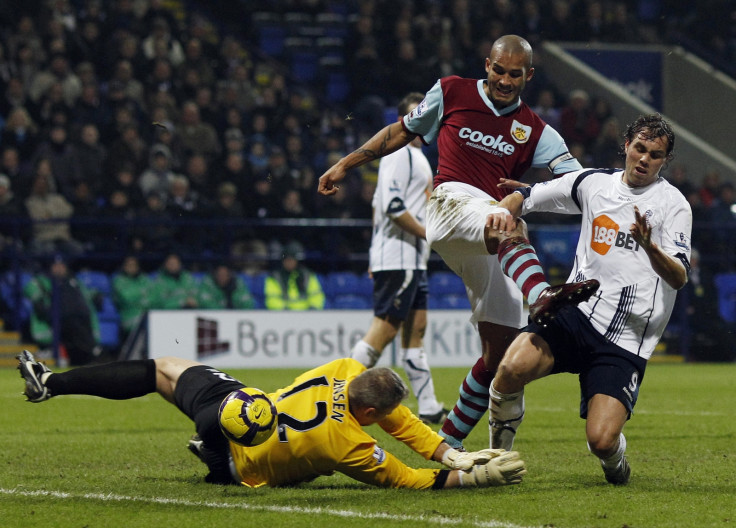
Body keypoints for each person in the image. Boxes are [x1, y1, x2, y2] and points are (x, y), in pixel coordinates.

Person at [318, 35, 597, 449]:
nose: (504, 80)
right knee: (509, 221)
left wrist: (606, 194)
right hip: (451, 204)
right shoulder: (451, 91)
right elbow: (401, 130)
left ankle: (456, 446)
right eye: (498, 70)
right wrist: (345, 163)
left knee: (502, 357)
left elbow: (577, 185)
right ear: (487, 64)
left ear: (529, 76)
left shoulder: (537, 131)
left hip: (488, 240)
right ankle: (541, 297)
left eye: (514, 74)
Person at [486, 114, 691, 485]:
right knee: (509, 369)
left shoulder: (673, 205)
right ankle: (499, 461)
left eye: (655, 155)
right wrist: (505, 208)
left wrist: (649, 246)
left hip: (625, 338)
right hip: (576, 313)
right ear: (626, 146)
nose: (644, 159)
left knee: (601, 441)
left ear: (665, 160)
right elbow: (528, 196)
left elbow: (679, 277)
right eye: (640, 149)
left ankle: (616, 462)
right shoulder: (593, 183)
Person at [17, 350, 527, 490]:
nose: (394, 420)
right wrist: (466, 475)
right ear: (369, 414)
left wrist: (448, 450)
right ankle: (209, 452)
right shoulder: (344, 445)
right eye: (384, 416)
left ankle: (53, 383)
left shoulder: (348, 371)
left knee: (160, 369)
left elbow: (402, 424)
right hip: (236, 461)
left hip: (237, 410)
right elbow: (408, 479)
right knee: (167, 376)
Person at [349, 92, 448, 425]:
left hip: (409, 257)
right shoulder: (400, 151)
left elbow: (381, 204)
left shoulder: (417, 156)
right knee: (385, 330)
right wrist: (426, 236)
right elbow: (392, 207)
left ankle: (430, 405)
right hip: (400, 255)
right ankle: (336, 393)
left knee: (415, 330)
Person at [23, 255, 101, 366]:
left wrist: (96, 295)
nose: (59, 268)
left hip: (76, 323)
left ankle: (90, 353)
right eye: (56, 265)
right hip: (52, 321)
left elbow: (87, 297)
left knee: (76, 322)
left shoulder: (74, 282)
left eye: (62, 265)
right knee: (73, 322)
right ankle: (93, 351)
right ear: (50, 267)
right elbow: (32, 294)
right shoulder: (40, 281)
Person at [264, 241, 325, 310]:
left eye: (292, 259)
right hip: (283, 316)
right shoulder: (274, 277)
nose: (289, 262)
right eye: (287, 259)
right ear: (283, 261)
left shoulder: (307, 275)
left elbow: (316, 296)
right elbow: (272, 299)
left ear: (297, 260)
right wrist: (286, 312)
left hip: (306, 315)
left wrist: (312, 309)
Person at [112, 255, 152, 342]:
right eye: (129, 265)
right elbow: (127, 298)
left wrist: (136, 296)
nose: (131, 268)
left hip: (146, 316)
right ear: (124, 266)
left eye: (134, 265)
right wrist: (143, 293)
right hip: (128, 316)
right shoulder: (119, 280)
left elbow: (154, 297)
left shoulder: (144, 279)